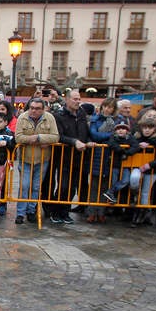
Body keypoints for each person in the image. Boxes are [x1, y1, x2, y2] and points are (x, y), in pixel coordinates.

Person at [14, 98, 59, 224]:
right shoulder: (22, 118)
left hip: (43, 159)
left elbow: (55, 137)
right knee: (24, 186)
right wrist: (34, 140)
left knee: (36, 187)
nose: (33, 111)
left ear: (43, 109)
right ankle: (20, 213)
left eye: (37, 108)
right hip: (26, 158)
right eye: (32, 108)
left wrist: (39, 138)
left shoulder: (49, 118)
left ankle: (31, 211)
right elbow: (18, 137)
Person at [50, 90, 93, 224]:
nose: (78, 101)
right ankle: (55, 212)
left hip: (80, 156)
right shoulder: (59, 116)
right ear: (67, 100)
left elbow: (85, 131)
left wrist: (88, 141)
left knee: (72, 187)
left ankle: (65, 212)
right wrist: (74, 142)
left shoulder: (81, 114)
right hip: (64, 156)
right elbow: (59, 136)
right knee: (63, 185)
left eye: (79, 99)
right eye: (75, 99)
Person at [129, 116, 156, 228]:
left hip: (152, 169)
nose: (147, 130)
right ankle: (134, 196)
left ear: (154, 128)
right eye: (144, 128)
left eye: (149, 128)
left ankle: (140, 215)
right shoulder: (136, 137)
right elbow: (129, 149)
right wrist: (137, 146)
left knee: (146, 192)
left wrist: (149, 165)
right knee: (134, 179)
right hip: (137, 166)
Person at [87, 98, 120, 223]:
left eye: (110, 107)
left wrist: (109, 138)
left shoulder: (117, 121)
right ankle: (91, 212)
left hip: (110, 156)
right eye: (106, 106)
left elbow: (118, 136)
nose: (107, 109)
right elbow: (94, 135)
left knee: (105, 186)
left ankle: (101, 212)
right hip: (97, 155)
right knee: (94, 185)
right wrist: (110, 136)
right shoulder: (95, 120)